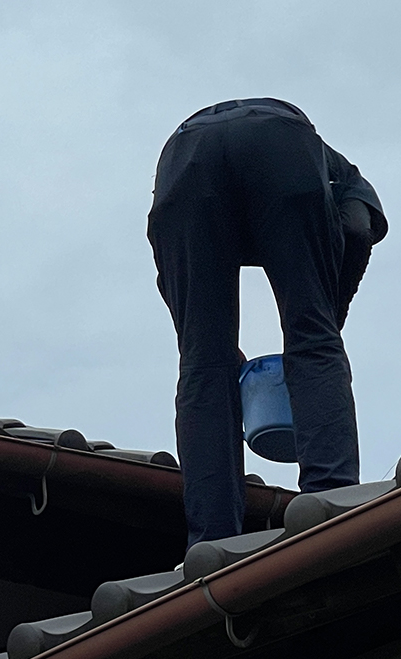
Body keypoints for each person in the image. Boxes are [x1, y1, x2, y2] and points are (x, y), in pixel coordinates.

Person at [147, 98, 387, 548]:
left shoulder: (331, 171)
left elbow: (169, 267)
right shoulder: (343, 176)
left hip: (183, 159)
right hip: (281, 141)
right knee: (313, 339)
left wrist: (202, 340)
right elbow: (356, 228)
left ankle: (211, 545)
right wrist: (323, 325)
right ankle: (329, 506)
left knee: (203, 367)